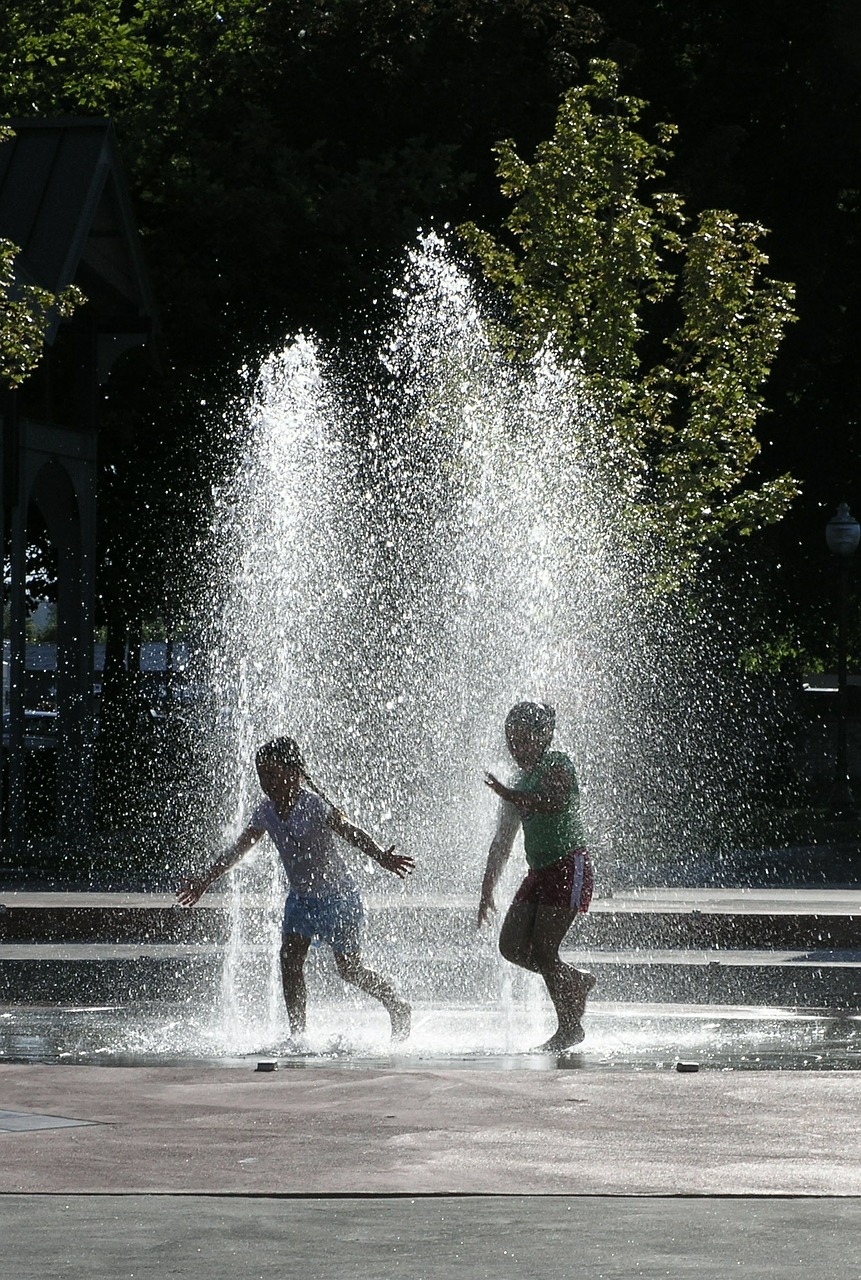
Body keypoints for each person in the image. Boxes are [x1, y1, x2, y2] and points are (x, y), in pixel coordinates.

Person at [177, 736, 414, 1043]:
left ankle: (397, 1003)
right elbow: (238, 849)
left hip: (338, 899)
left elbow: (351, 832)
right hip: (301, 901)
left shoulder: (315, 806)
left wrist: (381, 856)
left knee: (350, 970)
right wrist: (205, 879)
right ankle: (298, 1035)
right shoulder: (265, 813)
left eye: (273, 775)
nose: (267, 783)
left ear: (294, 773)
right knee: (289, 962)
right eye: (262, 777)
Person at [478, 701, 595, 1051]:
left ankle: (569, 1028)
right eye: (511, 740)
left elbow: (554, 801)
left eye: (524, 739)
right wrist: (486, 891)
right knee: (511, 946)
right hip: (539, 872)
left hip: (567, 866)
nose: (516, 748)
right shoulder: (517, 782)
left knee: (545, 950)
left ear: (544, 736)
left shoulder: (557, 763)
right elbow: (501, 843)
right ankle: (574, 980)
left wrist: (511, 794)